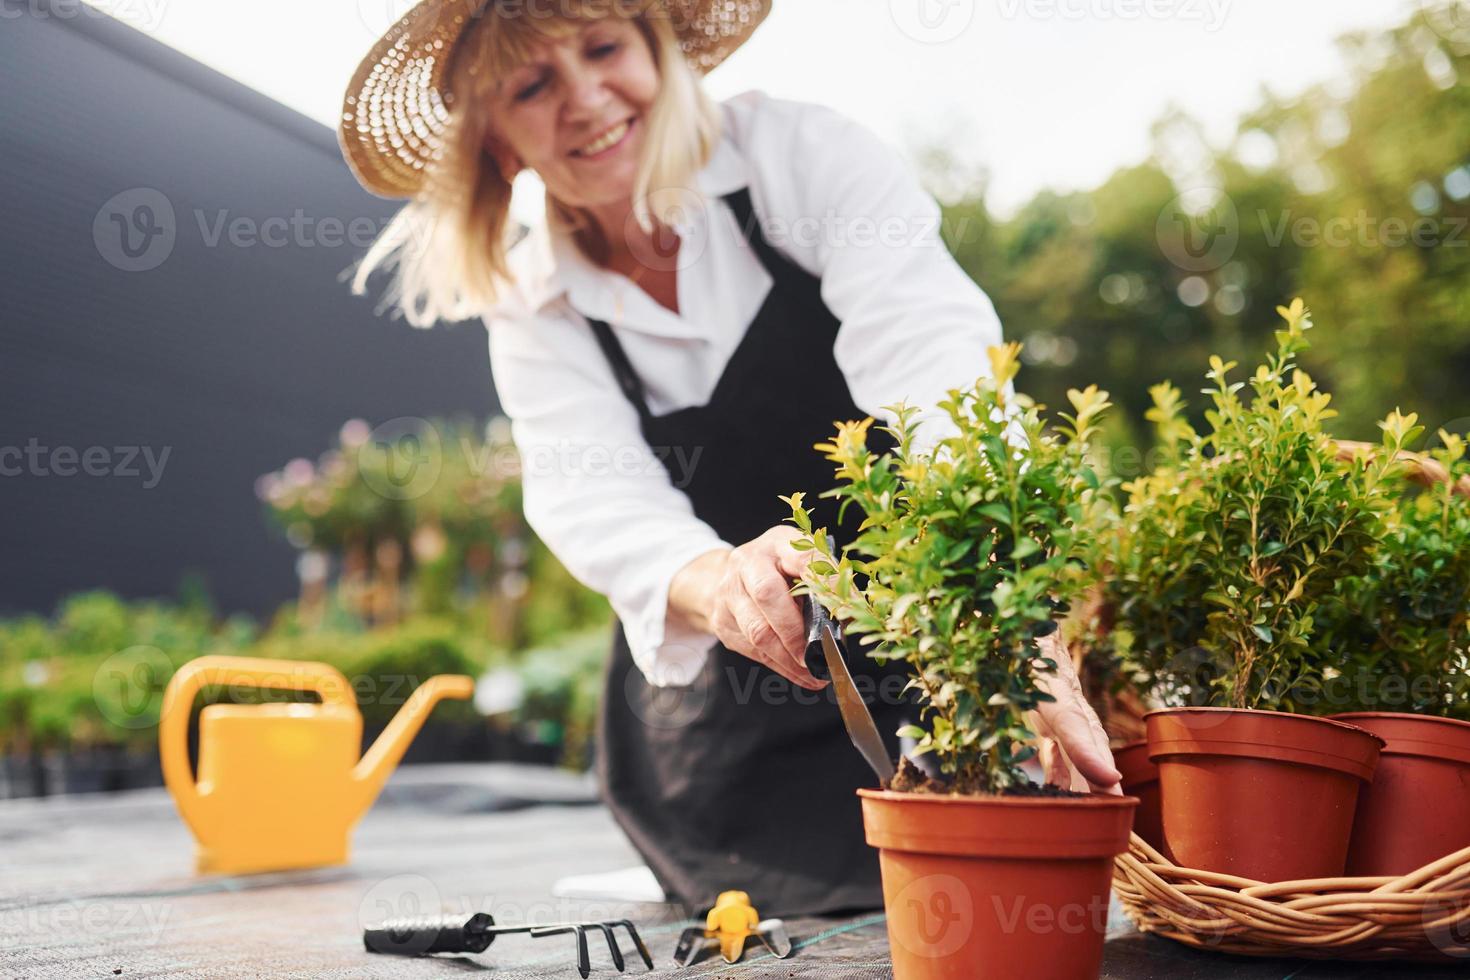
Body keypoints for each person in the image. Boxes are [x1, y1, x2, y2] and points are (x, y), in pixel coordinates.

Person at [338, 0, 1121, 916]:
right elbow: (595, 496)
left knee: (998, 891)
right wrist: (719, 580)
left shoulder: (804, 159)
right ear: (499, 141)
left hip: (936, 652)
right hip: (729, 733)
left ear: (658, 51)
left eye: (602, 49)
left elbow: (936, 372)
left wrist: (1010, 635)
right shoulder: (532, 307)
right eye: (533, 84)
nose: (586, 99)